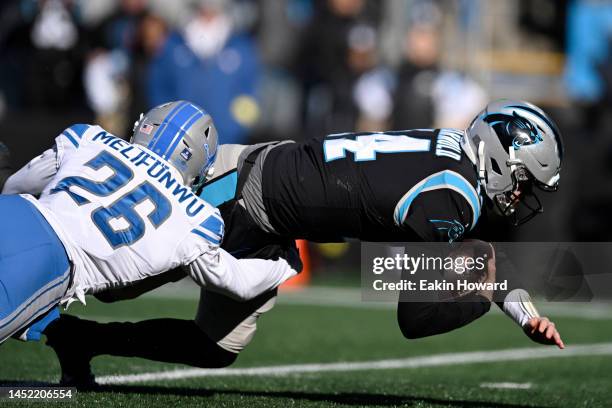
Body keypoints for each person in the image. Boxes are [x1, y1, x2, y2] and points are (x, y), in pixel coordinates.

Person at [43, 99, 565, 385]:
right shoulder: (454, 195)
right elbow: (416, 314)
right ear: (500, 160)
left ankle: (81, 340)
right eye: (523, 184)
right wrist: (482, 293)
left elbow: (469, 258)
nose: (520, 198)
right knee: (106, 274)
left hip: (264, 194)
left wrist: (519, 310)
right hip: (238, 195)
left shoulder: (451, 155)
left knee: (217, 346)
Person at [0, 101, 299, 374]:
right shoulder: (196, 217)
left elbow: (15, 185)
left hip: (16, 212)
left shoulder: (88, 137)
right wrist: (284, 265)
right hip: (49, 259)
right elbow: (239, 283)